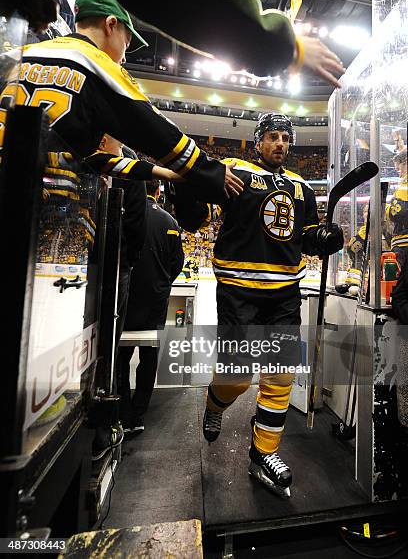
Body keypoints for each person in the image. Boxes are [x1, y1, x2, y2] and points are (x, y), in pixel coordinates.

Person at [170, 114, 343, 497]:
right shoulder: (234, 172)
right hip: (239, 291)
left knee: (281, 375)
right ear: (258, 140)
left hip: (284, 292)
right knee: (238, 376)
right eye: (273, 137)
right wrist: (185, 189)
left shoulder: (300, 185)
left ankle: (264, 452)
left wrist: (325, 238)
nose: (280, 143)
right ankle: (216, 405)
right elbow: (198, 219)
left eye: (285, 138)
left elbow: (308, 236)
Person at [0, 0, 243, 202]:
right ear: (111, 24)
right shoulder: (97, 64)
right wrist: (209, 171)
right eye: (126, 42)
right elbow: (155, 129)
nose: (124, 57)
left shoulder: (19, 53)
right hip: (35, 197)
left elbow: (93, 159)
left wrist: (165, 173)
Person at [1, 0, 344, 89]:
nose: (125, 50)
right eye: (129, 39)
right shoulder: (92, 65)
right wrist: (278, 45)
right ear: (111, 24)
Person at [117, 179, 184, 434]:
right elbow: (178, 261)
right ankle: (138, 415)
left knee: (121, 356)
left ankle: (122, 413)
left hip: (127, 298)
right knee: (149, 358)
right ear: (158, 191)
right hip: (155, 300)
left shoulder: (126, 215)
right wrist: (163, 283)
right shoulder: (169, 221)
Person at [386, 150, 408, 272]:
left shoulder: (405, 184)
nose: (399, 174)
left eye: (399, 169)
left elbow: (398, 212)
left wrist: (386, 208)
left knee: (401, 289)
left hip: (404, 243)